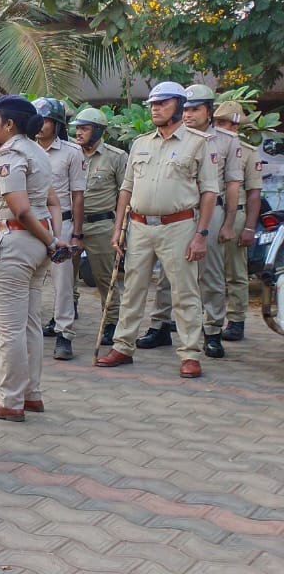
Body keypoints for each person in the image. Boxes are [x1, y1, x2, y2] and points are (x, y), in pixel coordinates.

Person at [96, 82, 219, 379]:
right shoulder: (140, 143)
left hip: (179, 226)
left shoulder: (198, 143)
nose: (155, 109)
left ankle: (190, 354)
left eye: (162, 103)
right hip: (139, 226)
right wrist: (118, 227)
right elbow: (126, 189)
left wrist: (201, 235)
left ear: (178, 105)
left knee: (184, 292)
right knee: (132, 289)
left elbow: (209, 193)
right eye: (153, 104)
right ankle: (123, 347)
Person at [0, 96, 66, 421]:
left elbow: (21, 208)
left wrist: (51, 240)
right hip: (36, 242)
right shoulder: (37, 152)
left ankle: (10, 400)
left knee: (9, 328)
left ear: (9, 124)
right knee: (29, 324)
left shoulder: (11, 154)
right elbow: (52, 202)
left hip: (15, 242)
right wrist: (53, 238)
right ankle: (30, 394)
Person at [138, 85, 243, 358]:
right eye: (185, 109)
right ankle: (160, 325)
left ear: (209, 111)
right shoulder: (171, 136)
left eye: (195, 109)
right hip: (176, 213)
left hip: (210, 211)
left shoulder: (226, 141)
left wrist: (229, 222)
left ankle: (212, 330)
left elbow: (232, 184)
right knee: (166, 274)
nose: (188, 114)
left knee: (210, 272)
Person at [32, 97, 86, 360]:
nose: (41, 125)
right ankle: (27, 331)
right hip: (31, 224)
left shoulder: (71, 152)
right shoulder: (24, 150)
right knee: (28, 280)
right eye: (37, 120)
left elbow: (78, 195)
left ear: (57, 124)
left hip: (61, 224)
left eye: (46, 120)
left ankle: (65, 333)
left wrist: (77, 232)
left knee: (63, 283)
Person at [70, 108, 128, 346]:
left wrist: (120, 229)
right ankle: (65, 314)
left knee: (105, 278)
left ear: (98, 131)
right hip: (71, 224)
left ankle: (111, 321)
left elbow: (125, 193)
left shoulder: (116, 157)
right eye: (77, 128)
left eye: (84, 128)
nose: (79, 133)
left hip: (101, 224)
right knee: (65, 275)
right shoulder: (70, 153)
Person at [213, 101, 264, 341]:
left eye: (226, 123)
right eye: (218, 122)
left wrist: (249, 228)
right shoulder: (206, 146)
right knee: (205, 271)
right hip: (208, 213)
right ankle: (206, 318)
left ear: (236, 126)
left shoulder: (248, 153)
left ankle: (236, 320)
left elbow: (254, 194)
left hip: (237, 215)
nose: (222, 127)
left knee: (235, 272)